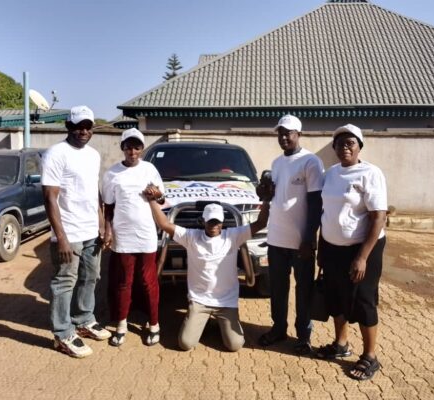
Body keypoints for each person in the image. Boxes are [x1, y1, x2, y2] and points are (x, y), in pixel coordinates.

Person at [143, 184, 270, 352]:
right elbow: (165, 224)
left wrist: (268, 200)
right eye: (210, 221)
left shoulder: (232, 236)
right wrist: (152, 200)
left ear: (222, 222)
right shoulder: (191, 237)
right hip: (200, 301)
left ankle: (221, 323)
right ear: (203, 220)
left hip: (226, 302)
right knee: (185, 344)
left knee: (235, 345)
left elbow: (261, 223)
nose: (213, 225)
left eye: (217, 221)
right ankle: (204, 321)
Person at [315, 124, 387, 381]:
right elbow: (328, 214)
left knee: (364, 300)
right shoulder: (331, 174)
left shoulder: (370, 173)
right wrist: (322, 250)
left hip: (363, 247)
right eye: (340, 143)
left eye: (350, 143)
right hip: (333, 247)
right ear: (333, 148)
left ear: (359, 147)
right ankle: (341, 344)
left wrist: (362, 257)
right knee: (336, 296)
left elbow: (378, 217)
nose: (345, 147)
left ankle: (370, 356)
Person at [42, 105, 111, 358]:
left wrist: (102, 224)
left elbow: (94, 194)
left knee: (90, 277)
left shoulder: (93, 155)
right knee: (64, 282)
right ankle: (62, 334)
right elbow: (50, 197)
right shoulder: (56, 153)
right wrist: (60, 238)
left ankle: (83, 320)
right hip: (68, 232)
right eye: (79, 126)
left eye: (88, 126)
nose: (84, 131)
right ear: (68, 127)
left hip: (91, 229)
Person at [258, 114, 324, 355]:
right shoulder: (276, 163)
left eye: (288, 133)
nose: (284, 137)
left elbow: (316, 203)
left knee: (304, 289)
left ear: (299, 134)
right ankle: (278, 328)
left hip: (300, 242)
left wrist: (309, 238)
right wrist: (263, 192)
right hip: (276, 238)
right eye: (280, 133)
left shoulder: (310, 162)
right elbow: (273, 195)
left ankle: (304, 335)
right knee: (277, 288)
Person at [102, 128, 165, 347]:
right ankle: (121, 325)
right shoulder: (112, 174)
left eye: (137, 146)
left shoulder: (150, 169)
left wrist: (156, 195)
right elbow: (108, 207)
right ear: (122, 148)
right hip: (123, 236)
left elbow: (162, 197)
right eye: (128, 146)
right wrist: (107, 230)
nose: (133, 151)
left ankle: (154, 324)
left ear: (142, 148)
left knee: (148, 281)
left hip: (146, 234)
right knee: (123, 282)